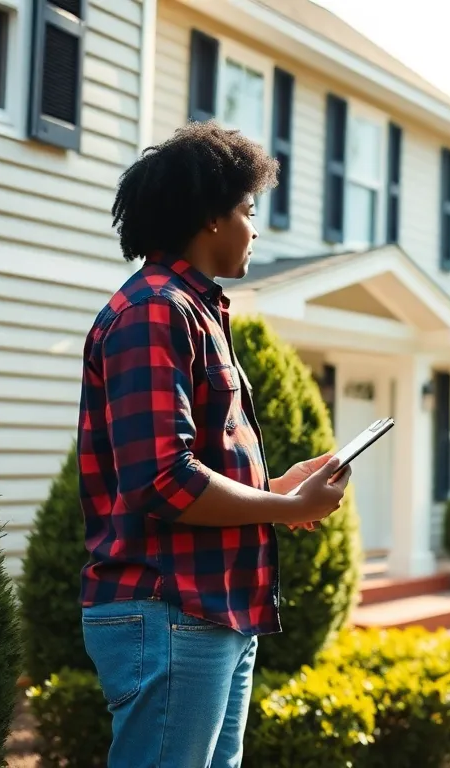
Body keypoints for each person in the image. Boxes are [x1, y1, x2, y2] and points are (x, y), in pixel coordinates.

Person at [75, 122, 351, 768]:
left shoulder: (194, 311)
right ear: (209, 218)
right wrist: (284, 510)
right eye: (249, 211)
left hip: (211, 610)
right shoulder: (153, 311)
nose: (256, 229)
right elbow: (162, 481)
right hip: (169, 610)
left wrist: (277, 490)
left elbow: (187, 466)